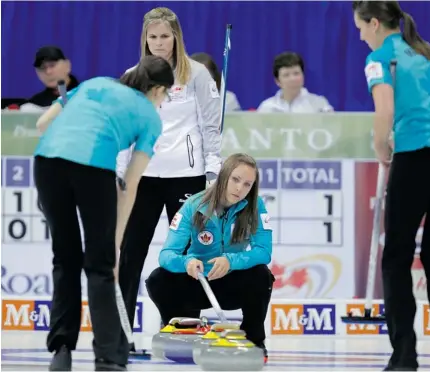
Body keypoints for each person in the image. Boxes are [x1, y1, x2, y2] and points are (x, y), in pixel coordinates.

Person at [34, 55, 174, 371]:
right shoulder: (151, 119)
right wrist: (115, 242)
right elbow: (131, 185)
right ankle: (108, 358)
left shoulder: (94, 83)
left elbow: (42, 124)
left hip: (47, 164)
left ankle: (62, 350)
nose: (163, 101)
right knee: (100, 267)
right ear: (156, 90)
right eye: (165, 94)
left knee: (65, 258)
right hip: (92, 168)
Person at [353, 1, 430, 370]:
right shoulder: (429, 53)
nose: (360, 35)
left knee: (396, 255)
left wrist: (381, 148)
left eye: (361, 27)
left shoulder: (381, 58)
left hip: (415, 158)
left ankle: (405, 353)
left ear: (375, 23)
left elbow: (385, 112)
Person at [117, 7, 223, 352]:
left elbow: (211, 125)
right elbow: (125, 132)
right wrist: (121, 175)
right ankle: (119, 334)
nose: (159, 43)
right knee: (131, 252)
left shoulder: (198, 73)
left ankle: (184, 327)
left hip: (186, 177)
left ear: (176, 36)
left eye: (165, 36)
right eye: (153, 37)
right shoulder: (133, 75)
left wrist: (212, 171)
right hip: (144, 177)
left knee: (189, 253)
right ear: (144, 39)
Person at [146, 153, 274, 362]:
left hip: (232, 283)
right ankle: (181, 330)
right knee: (158, 279)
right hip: (200, 282)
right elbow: (167, 255)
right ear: (223, 176)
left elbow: (264, 251)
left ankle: (254, 340)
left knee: (262, 276)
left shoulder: (255, 206)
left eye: (247, 184)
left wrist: (231, 260)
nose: (240, 188)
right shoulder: (193, 205)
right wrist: (187, 262)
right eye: (235, 179)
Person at [257, 52, 333, 113]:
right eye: (286, 75)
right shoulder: (267, 107)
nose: (293, 79)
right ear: (277, 81)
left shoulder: (319, 105)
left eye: (296, 73)